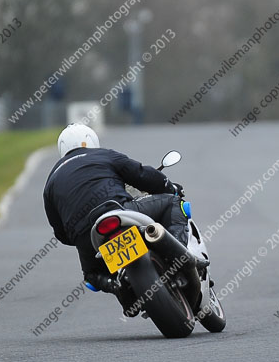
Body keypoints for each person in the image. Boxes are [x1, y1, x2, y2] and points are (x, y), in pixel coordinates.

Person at [43, 123, 188, 316]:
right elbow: (142, 175)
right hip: (117, 210)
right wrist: (171, 188)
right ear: (93, 140)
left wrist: (79, 236)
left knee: (92, 275)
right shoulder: (103, 155)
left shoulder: (50, 181)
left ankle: (117, 285)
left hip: (87, 235)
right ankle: (179, 261)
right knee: (174, 203)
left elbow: (60, 233)